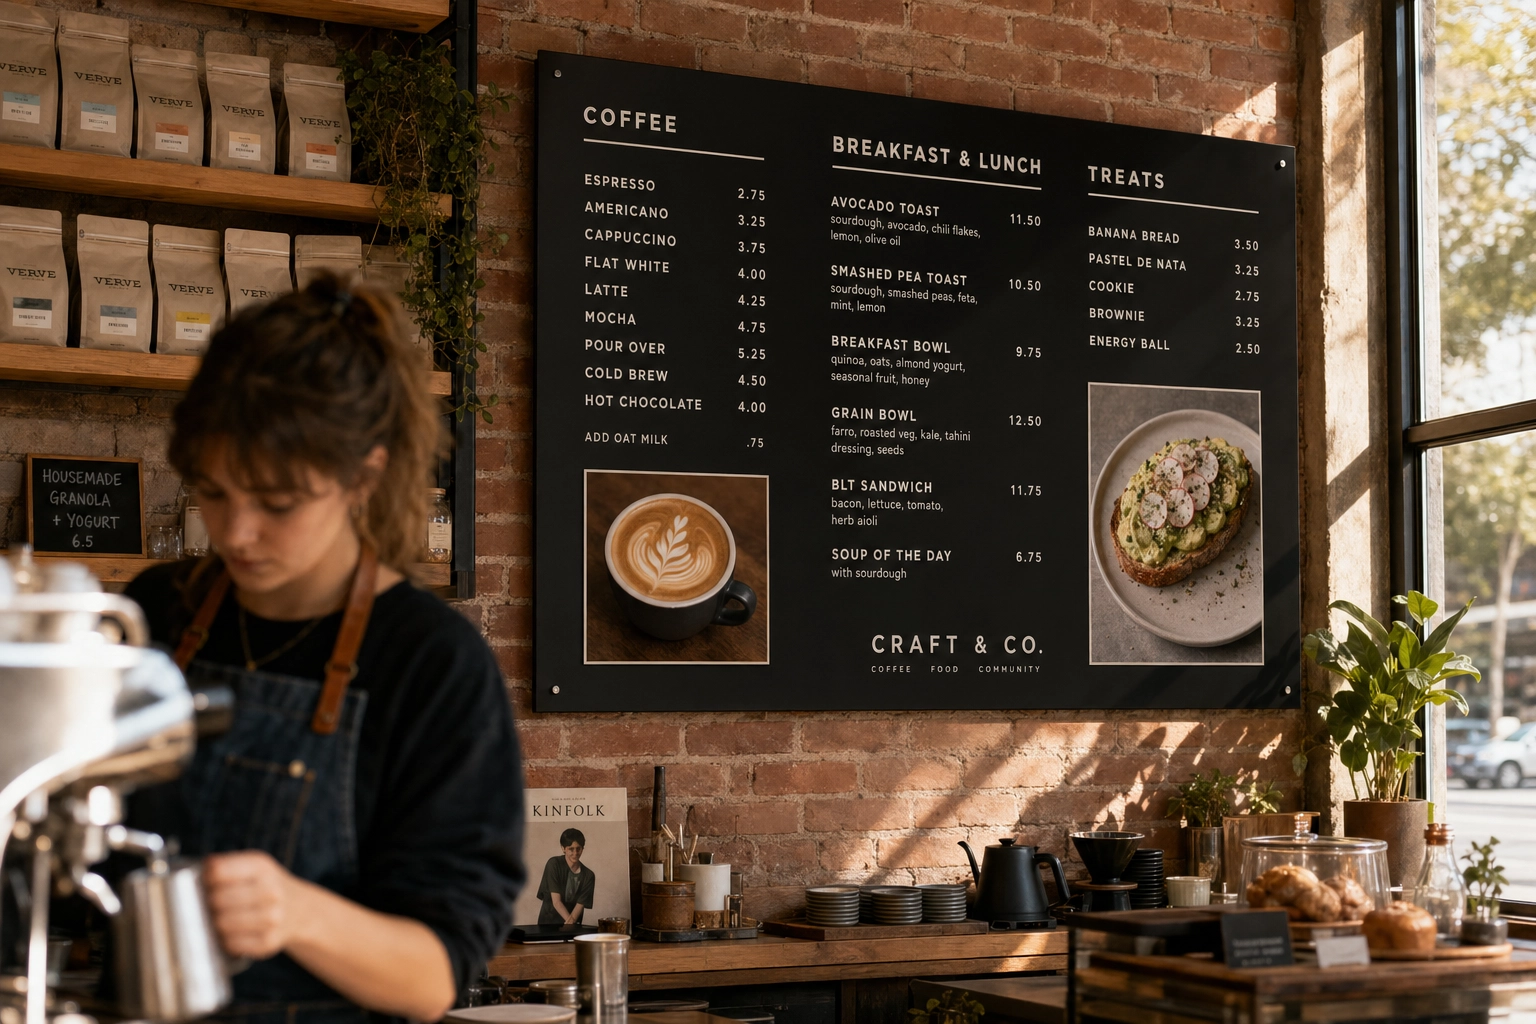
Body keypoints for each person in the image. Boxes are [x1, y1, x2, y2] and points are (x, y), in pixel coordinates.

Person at [123, 275, 525, 1024]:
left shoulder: (430, 663)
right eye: (212, 492)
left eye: (276, 503)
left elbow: (435, 976)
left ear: (362, 477)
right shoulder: (155, 613)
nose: (235, 534)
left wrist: (295, 911)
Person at [536, 829, 595, 926]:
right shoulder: (553, 864)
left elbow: (579, 905)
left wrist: (571, 925)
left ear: (582, 848)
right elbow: (556, 902)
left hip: (573, 924)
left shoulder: (589, 875)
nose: (575, 853)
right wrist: (570, 922)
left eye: (578, 848)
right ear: (563, 848)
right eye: (571, 849)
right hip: (548, 924)